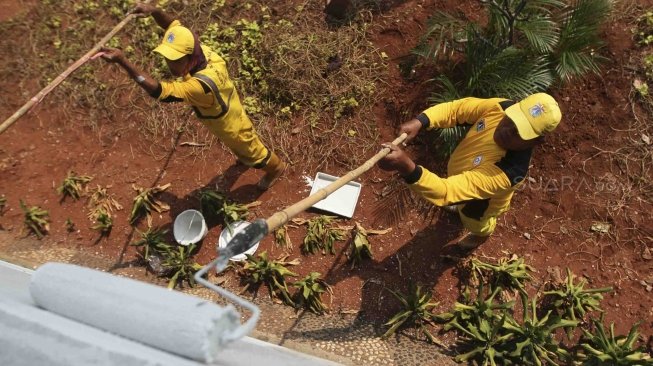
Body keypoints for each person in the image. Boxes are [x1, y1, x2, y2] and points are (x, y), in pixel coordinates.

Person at [99, 3, 286, 190]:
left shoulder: (199, 87)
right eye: (168, 58)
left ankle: (276, 169)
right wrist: (154, 11)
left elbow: (160, 92)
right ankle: (245, 158)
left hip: (230, 127)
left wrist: (123, 61)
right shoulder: (201, 52)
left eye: (175, 60)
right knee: (242, 150)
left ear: (190, 57)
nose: (170, 65)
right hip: (230, 103)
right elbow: (173, 26)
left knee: (254, 153)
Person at [378, 93, 562, 248]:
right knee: (457, 197)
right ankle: (458, 206)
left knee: (473, 220)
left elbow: (446, 191)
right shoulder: (501, 106)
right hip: (460, 178)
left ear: (536, 142)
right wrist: (421, 121)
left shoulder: (509, 171)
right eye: (512, 119)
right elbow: (458, 110)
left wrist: (405, 166)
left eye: (519, 132)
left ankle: (480, 236)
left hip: (478, 203)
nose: (507, 129)